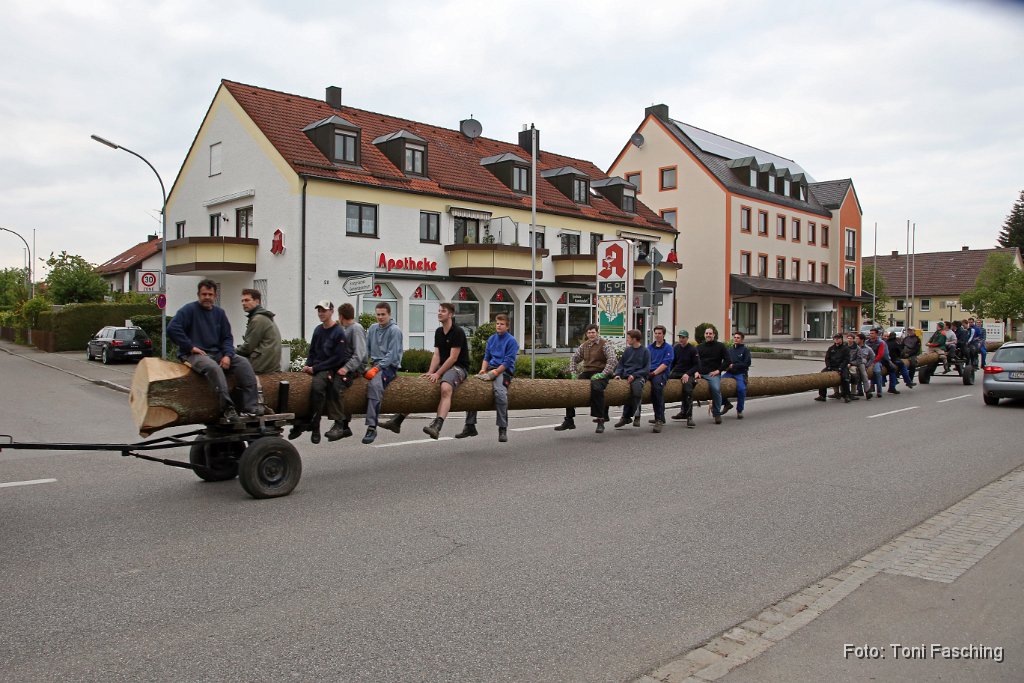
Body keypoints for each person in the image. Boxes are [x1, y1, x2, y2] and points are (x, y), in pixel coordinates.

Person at [167, 279, 259, 421]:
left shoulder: (219, 314)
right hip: (194, 355)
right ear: (199, 295)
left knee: (244, 364)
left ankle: (251, 408)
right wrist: (190, 347)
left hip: (217, 353)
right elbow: (173, 328)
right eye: (204, 294)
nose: (207, 297)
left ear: (215, 296)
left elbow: (227, 337)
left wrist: (228, 355)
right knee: (213, 368)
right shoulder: (188, 310)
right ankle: (227, 408)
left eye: (210, 294)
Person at [289, 301, 351, 444]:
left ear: (331, 312)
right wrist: (307, 365)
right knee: (297, 387)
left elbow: (338, 358)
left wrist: (316, 369)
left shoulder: (338, 332)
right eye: (319, 311)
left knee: (317, 387)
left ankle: (315, 427)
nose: (321, 313)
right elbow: (312, 352)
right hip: (315, 366)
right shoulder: (318, 330)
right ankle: (299, 423)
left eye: (324, 310)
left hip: (329, 369)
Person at [458, 313, 518, 443]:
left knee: (500, 393)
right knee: (474, 388)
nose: (499, 326)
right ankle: (470, 425)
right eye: (497, 323)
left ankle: (502, 428)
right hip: (490, 368)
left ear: (507, 327)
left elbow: (508, 362)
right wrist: (483, 369)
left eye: (502, 324)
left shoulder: (511, 341)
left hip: (504, 371)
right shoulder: (492, 339)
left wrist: (495, 373)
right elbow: (487, 357)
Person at [417, 303, 471, 439]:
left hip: (459, 368)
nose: (439, 313)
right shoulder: (438, 332)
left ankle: (437, 426)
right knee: (423, 384)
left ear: (451, 314)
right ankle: (398, 420)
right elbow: (437, 355)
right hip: (444, 367)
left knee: (446, 388)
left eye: (443, 311)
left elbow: (453, 358)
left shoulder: (458, 332)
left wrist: (438, 373)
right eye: (439, 311)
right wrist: (430, 372)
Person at [554, 323, 615, 433]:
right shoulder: (584, 345)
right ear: (586, 334)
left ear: (597, 333)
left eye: (593, 332)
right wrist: (573, 373)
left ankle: (601, 419)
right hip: (587, 372)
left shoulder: (605, 344)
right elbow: (574, 358)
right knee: (572, 389)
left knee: (597, 388)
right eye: (589, 333)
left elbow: (612, 360)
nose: (591, 335)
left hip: (601, 372)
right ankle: (569, 420)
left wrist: (603, 374)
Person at [361, 302, 403, 445]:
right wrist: (361, 366)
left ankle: (372, 427)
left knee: (374, 386)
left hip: (388, 367)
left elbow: (392, 355)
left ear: (389, 315)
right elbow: (366, 350)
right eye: (378, 314)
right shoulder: (372, 329)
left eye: (383, 314)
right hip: (374, 364)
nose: (380, 317)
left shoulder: (395, 330)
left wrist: (377, 369)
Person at [324, 303, 367, 441]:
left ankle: (339, 425)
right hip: (345, 364)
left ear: (341, 316)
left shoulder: (356, 329)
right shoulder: (345, 328)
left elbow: (359, 354)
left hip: (354, 368)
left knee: (336, 387)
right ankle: (346, 426)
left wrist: (346, 368)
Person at [234, 288, 282, 374]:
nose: (244, 303)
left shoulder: (258, 319)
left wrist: (230, 352)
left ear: (257, 301)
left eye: (247, 300)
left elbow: (248, 347)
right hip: (269, 362)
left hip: (261, 364)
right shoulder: (264, 317)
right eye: (242, 301)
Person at [612, 329, 650, 428]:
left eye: (628, 338)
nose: (627, 340)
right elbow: (621, 364)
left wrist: (634, 375)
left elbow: (646, 369)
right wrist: (617, 374)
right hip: (626, 375)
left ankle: (636, 416)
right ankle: (625, 417)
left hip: (638, 376)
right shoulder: (627, 350)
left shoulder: (645, 351)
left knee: (636, 392)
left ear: (634, 339)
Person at [695, 327, 729, 424]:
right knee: (687, 386)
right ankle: (685, 412)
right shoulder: (699, 347)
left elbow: (728, 361)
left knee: (716, 389)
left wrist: (718, 371)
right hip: (700, 374)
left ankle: (717, 413)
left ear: (714, 335)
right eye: (707, 333)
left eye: (710, 333)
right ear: (704, 335)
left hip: (712, 375)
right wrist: (696, 372)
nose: (708, 335)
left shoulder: (720, 346)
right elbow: (694, 361)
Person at [668, 330, 699, 428]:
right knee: (660, 383)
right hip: (677, 372)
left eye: (683, 337)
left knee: (688, 390)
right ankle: (659, 417)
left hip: (688, 373)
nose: (681, 339)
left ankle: (689, 416)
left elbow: (697, 365)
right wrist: (668, 372)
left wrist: (688, 374)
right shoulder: (676, 348)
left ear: (687, 338)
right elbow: (672, 362)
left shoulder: (692, 349)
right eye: (680, 337)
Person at [646, 325, 674, 432]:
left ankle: (659, 419)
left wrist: (653, 374)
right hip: (649, 372)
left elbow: (666, 364)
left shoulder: (668, 348)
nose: (657, 335)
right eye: (656, 333)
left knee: (657, 389)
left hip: (660, 373)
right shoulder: (650, 348)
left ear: (663, 334)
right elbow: (646, 361)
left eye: (659, 333)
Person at [721, 331, 751, 419]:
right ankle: (726, 404)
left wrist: (734, 365)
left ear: (742, 340)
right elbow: (725, 361)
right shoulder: (730, 350)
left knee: (741, 389)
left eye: (738, 338)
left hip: (740, 373)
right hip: (729, 373)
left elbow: (747, 363)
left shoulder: (745, 350)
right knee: (717, 385)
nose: (736, 339)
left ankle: (739, 410)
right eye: (735, 337)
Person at [815, 333, 850, 402]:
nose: (836, 340)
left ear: (841, 339)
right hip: (832, 366)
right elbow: (827, 358)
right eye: (835, 339)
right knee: (822, 376)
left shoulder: (845, 348)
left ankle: (846, 395)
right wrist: (828, 367)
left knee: (845, 378)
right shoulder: (831, 348)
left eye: (838, 338)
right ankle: (822, 395)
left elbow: (846, 360)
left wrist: (840, 368)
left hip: (841, 367)